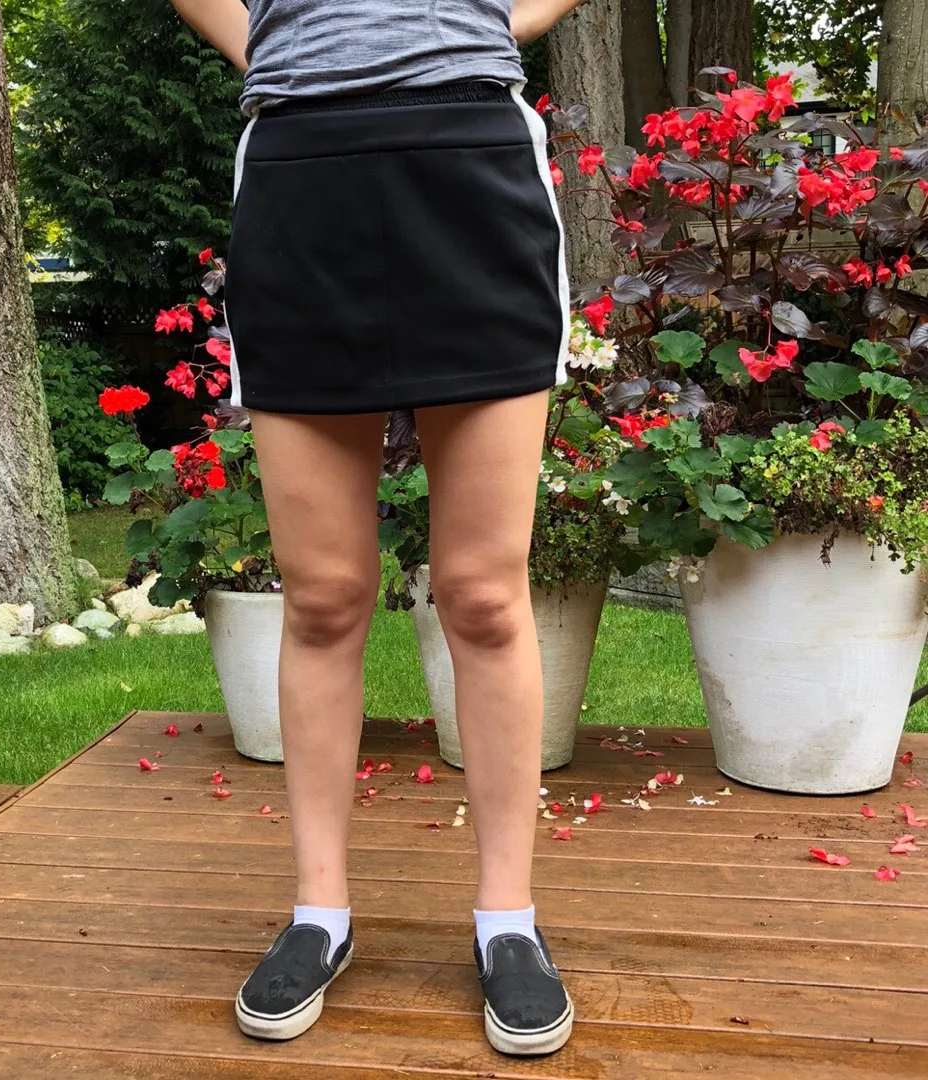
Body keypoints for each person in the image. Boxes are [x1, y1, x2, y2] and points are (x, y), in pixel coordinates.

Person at [170, 0, 588, 1058]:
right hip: (301, 171)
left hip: (473, 165)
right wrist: (267, 44)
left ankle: (508, 921)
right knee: (321, 595)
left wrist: (486, 27)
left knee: (484, 595)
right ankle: (320, 913)